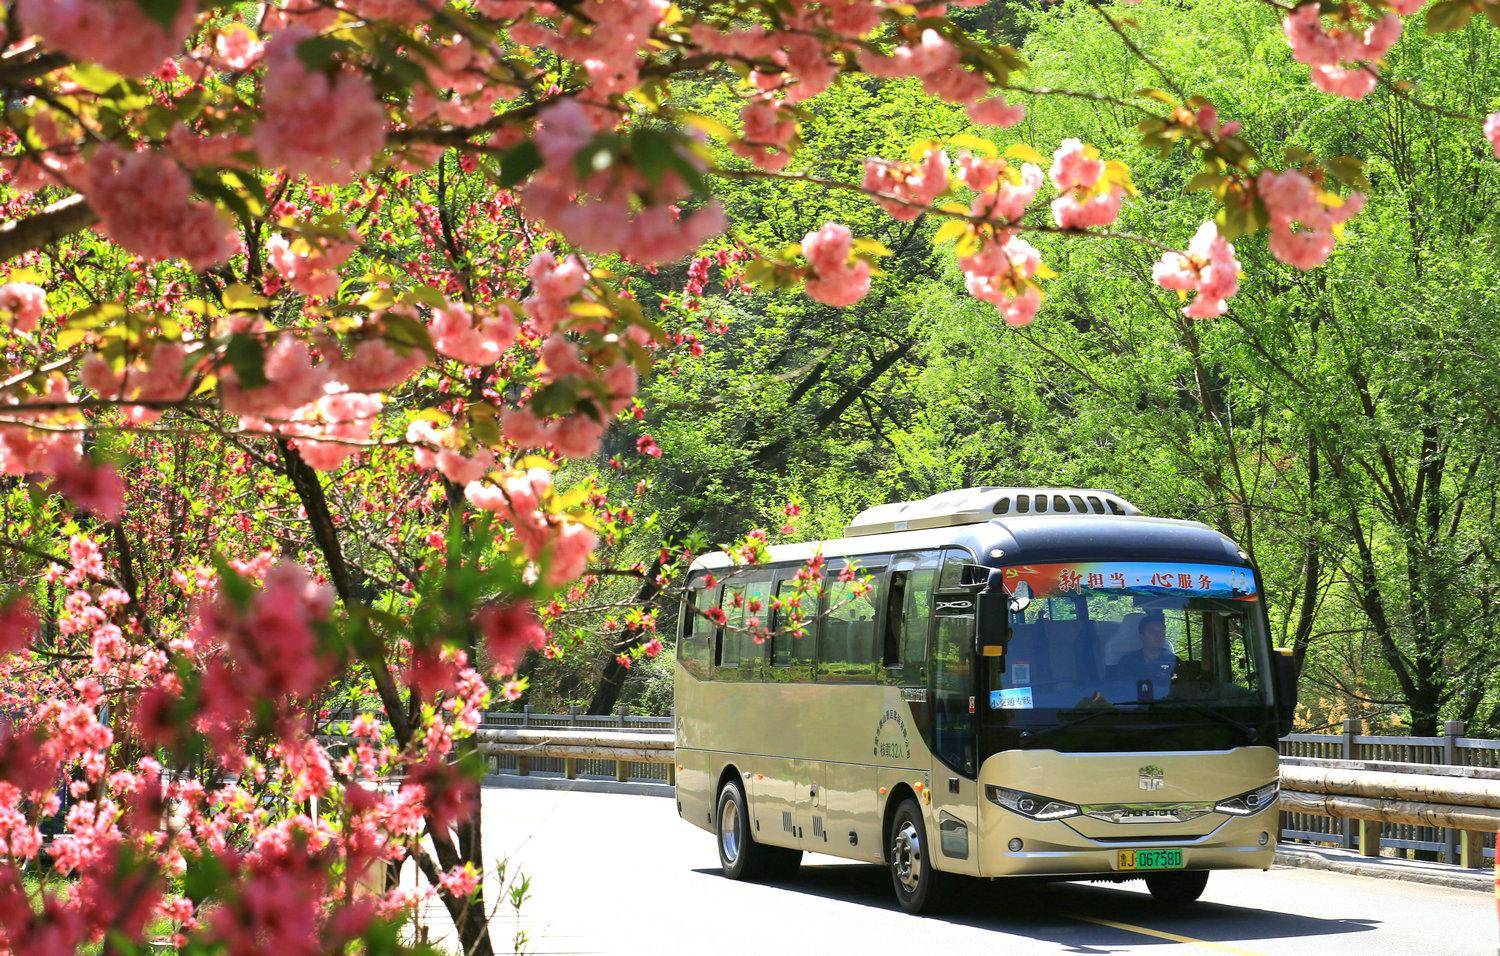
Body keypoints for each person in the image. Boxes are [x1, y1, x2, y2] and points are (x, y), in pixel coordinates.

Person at [1115, 611, 1177, 699]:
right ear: (1141, 636)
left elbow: (1183, 691)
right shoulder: (1127, 662)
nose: (1158, 635)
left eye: (1162, 631)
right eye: (1153, 631)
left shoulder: (1174, 661)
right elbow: (1124, 694)